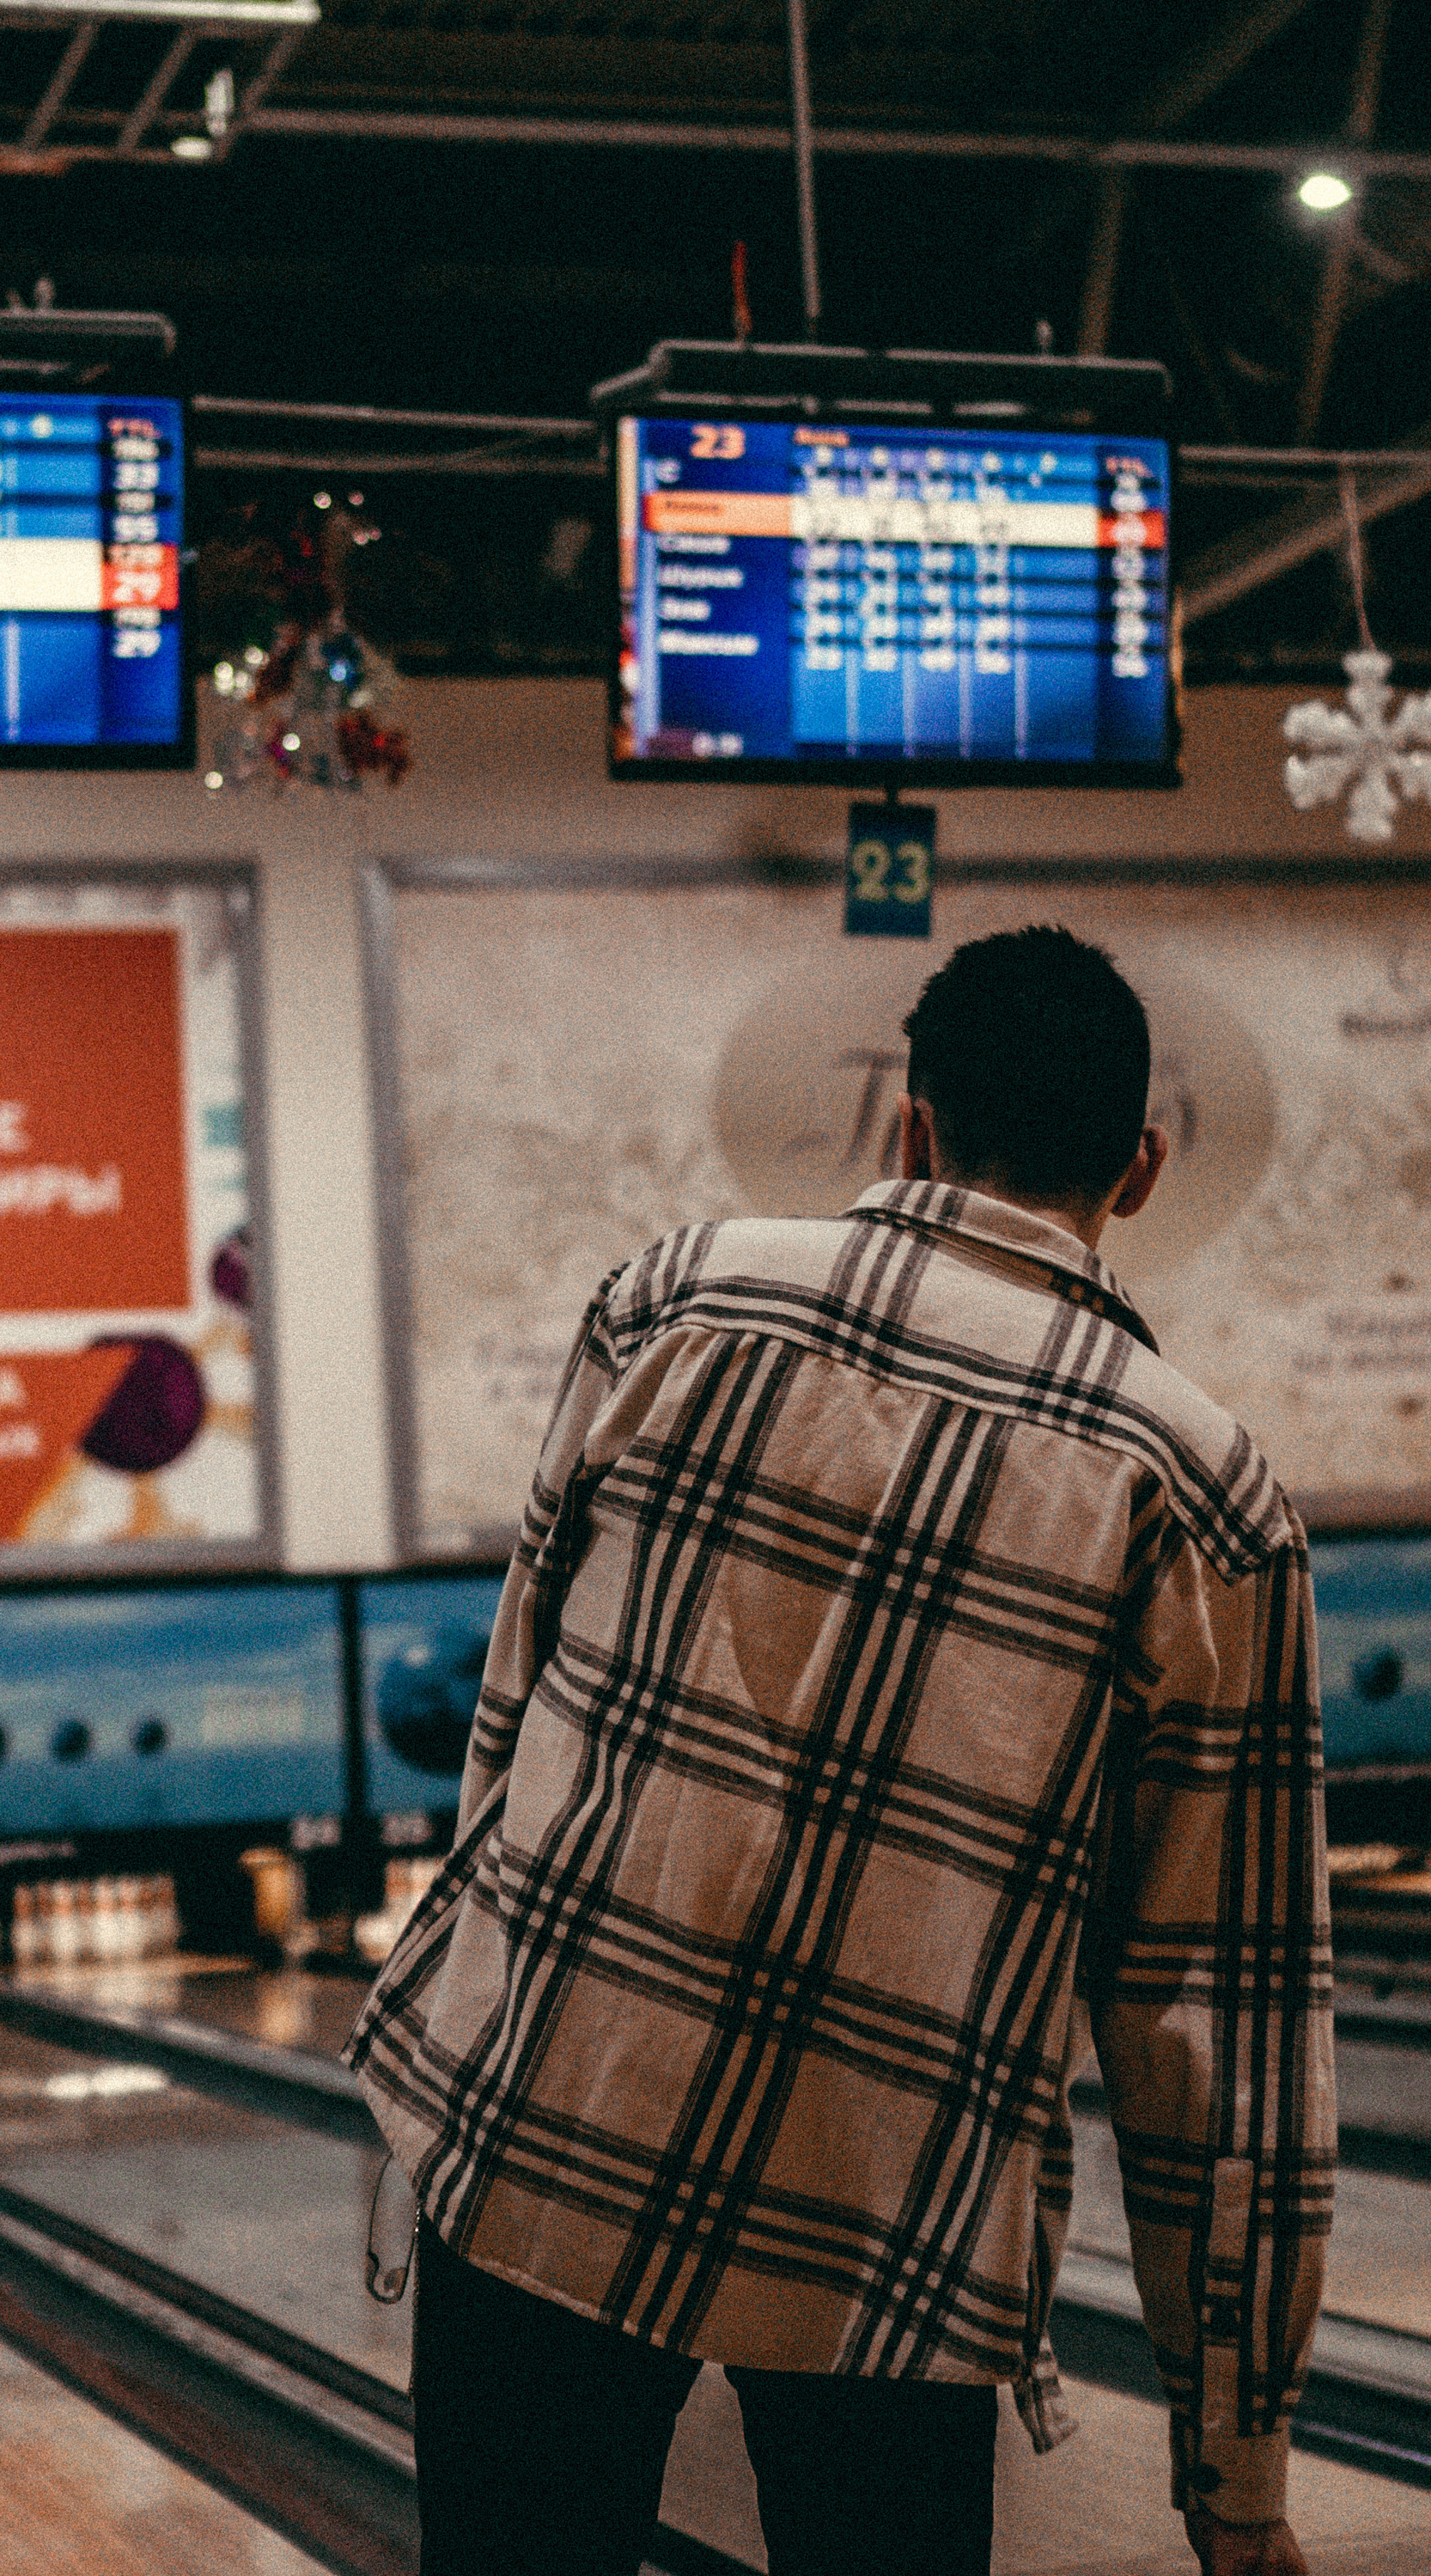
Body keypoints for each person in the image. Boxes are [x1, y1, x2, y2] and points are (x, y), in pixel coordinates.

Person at [348, 925, 1332, 2576]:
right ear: (1141, 1168)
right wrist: (1237, 2481)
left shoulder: (672, 1301)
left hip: (544, 2137)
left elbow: (513, 1721)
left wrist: (470, 2025)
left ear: (913, 1127)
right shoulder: (1207, 1494)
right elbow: (1214, 2024)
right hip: (897, 2228)